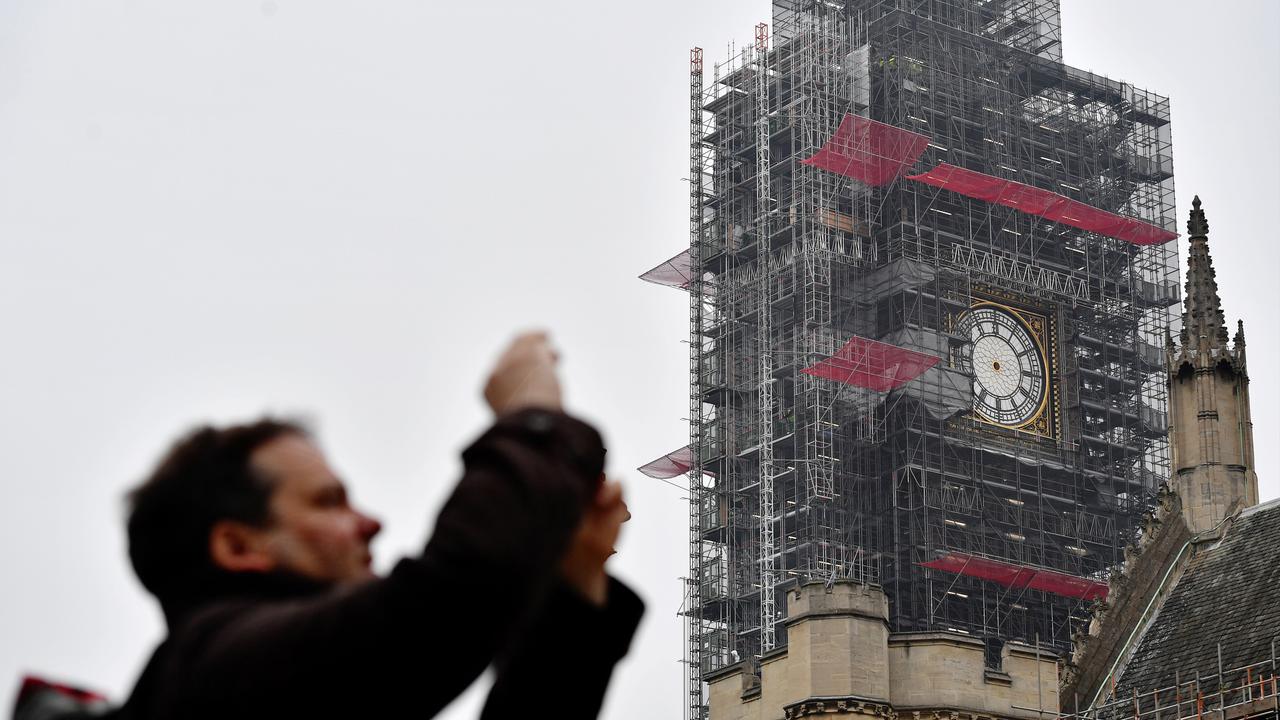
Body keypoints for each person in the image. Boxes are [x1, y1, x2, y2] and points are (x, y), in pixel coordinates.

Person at [107, 332, 642, 719]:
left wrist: (574, 585)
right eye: (328, 503)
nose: (371, 524)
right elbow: (450, 596)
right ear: (237, 544)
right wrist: (533, 417)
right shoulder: (213, 671)